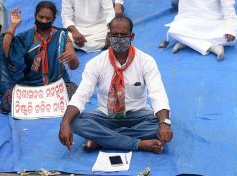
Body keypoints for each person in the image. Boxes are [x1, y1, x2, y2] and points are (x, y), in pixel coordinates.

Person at [58, 16, 172, 154]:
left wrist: (164, 123)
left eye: (123, 35)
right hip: (106, 116)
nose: (118, 38)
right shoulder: (96, 63)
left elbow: (157, 93)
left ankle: (102, 140)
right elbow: (81, 96)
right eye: (114, 35)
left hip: (138, 115)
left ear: (132, 36)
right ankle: (138, 143)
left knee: (160, 125)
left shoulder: (146, 61)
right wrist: (64, 123)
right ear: (108, 36)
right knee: (74, 122)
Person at [0, 2, 80, 114]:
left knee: (77, 98)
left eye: (48, 18)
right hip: (30, 84)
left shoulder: (61, 36)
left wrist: (71, 58)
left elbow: (74, 66)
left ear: (53, 19)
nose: (44, 21)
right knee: (6, 104)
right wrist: (13, 26)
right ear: (35, 16)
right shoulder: (26, 37)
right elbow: (6, 51)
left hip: (55, 84)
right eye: (41, 17)